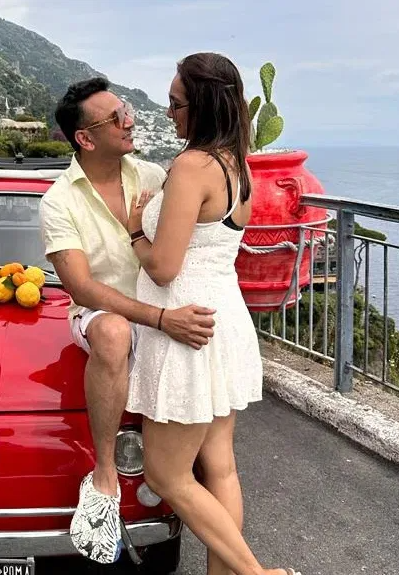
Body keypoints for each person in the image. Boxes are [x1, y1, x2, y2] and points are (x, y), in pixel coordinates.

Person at [125, 52, 300, 575]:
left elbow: (164, 267)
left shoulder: (192, 166)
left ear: (200, 105)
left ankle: (256, 574)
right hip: (222, 320)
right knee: (219, 465)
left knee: (166, 474)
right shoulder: (235, 163)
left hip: (186, 326)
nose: (168, 112)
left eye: (175, 102)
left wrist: (134, 229)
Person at [39, 77, 216, 564]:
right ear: (85, 138)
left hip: (163, 307)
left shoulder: (154, 177)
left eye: (127, 110)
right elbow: (81, 288)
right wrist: (160, 318)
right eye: (116, 117)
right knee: (114, 333)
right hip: (102, 313)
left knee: (212, 444)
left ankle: (179, 472)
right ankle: (105, 472)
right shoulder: (59, 200)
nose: (130, 120)